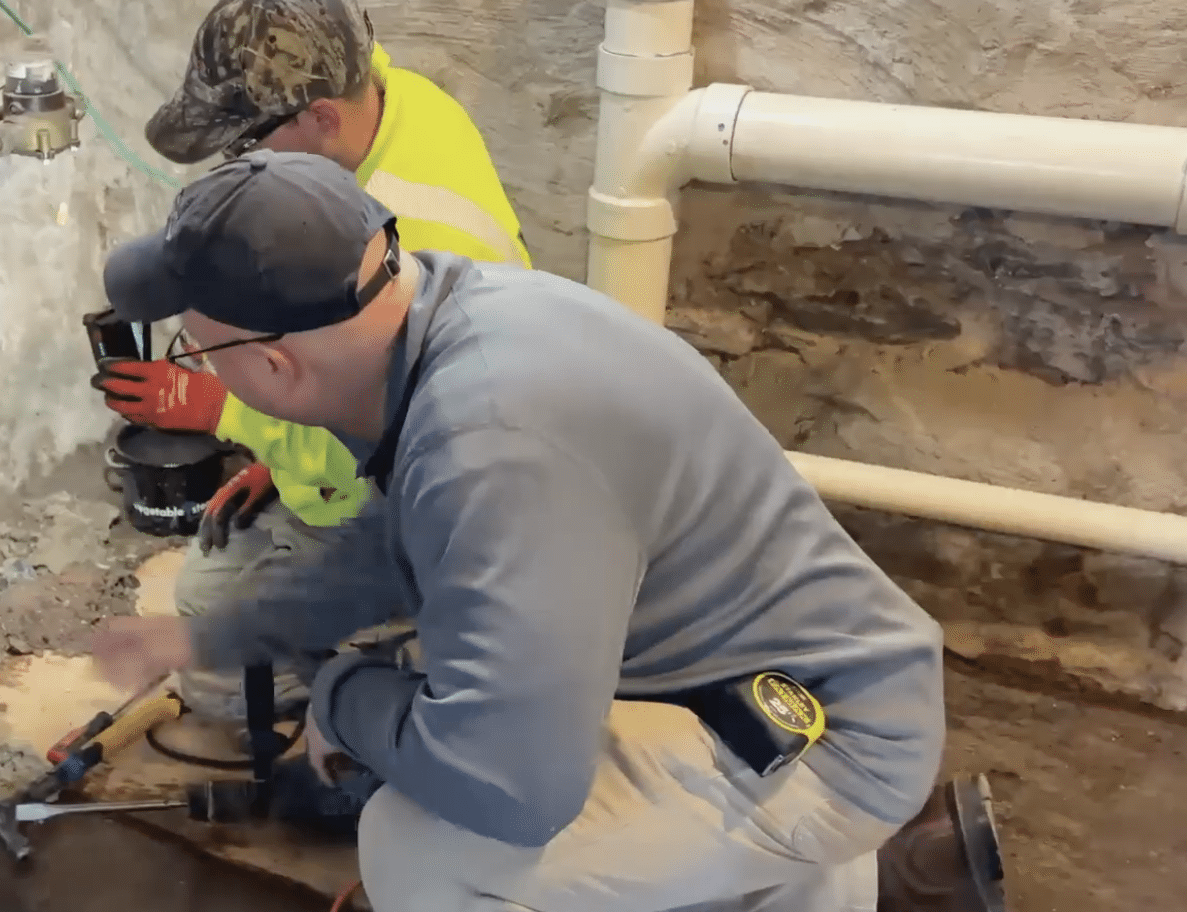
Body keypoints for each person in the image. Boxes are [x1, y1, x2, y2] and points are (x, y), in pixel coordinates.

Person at [90, 150, 1009, 912]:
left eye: (194, 350)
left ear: (276, 368)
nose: (194, 368)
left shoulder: (489, 443)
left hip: (817, 737)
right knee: (434, 696)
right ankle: (795, 883)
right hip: (787, 678)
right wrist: (211, 633)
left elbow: (511, 786)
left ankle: (826, 870)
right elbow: (391, 547)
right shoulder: (457, 315)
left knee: (415, 849)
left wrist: (342, 703)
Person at [93, 0, 531, 723]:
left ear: (322, 116)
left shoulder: (398, 242)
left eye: (250, 141)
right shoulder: (400, 102)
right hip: (413, 447)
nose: (243, 161)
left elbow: (367, 444)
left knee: (220, 686)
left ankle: (388, 684)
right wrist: (273, 457)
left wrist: (217, 410)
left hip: (412, 498)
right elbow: (349, 391)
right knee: (204, 596)